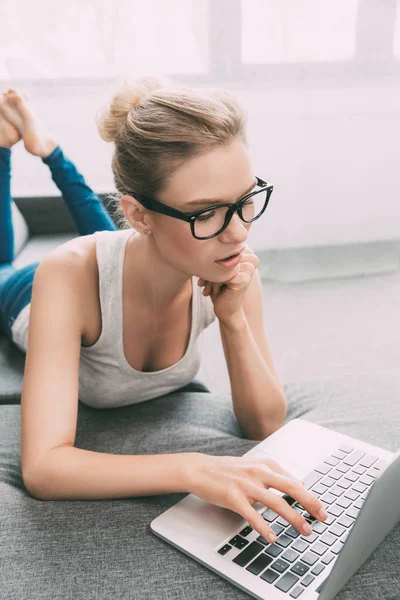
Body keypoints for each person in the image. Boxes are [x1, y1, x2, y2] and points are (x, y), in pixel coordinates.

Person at [0, 80, 328, 544]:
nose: (237, 233)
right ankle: (6, 149)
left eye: (245, 200)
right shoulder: (67, 274)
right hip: (26, 295)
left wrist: (232, 318)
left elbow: (264, 424)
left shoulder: (227, 262)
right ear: (138, 214)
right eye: (207, 213)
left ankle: (47, 146)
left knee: (119, 240)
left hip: (141, 253)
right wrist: (192, 468)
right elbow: (44, 468)